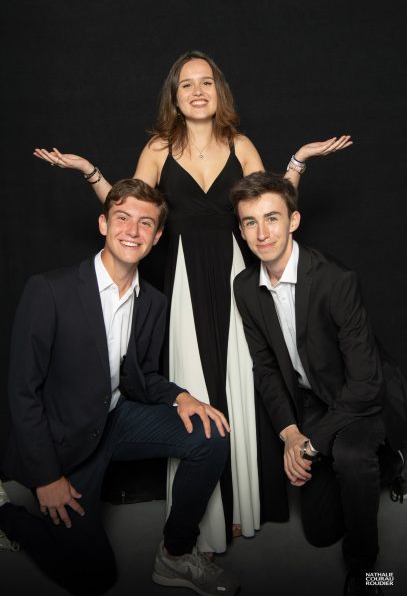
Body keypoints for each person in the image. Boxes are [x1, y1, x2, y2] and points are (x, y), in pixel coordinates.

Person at [33, 50, 352, 552]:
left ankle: (242, 507)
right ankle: (207, 516)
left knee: (242, 384)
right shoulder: (158, 148)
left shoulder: (240, 145)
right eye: (187, 84)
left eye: (206, 82)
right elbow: (130, 209)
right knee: (198, 389)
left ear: (219, 92)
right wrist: (90, 171)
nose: (198, 91)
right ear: (175, 97)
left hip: (235, 276)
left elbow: (272, 206)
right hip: (181, 280)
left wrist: (298, 163)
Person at [0, 178, 240, 596]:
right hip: (65, 441)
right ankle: (6, 514)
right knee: (93, 578)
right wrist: (46, 478)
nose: (133, 230)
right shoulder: (50, 290)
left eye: (145, 223)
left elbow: (142, 376)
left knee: (212, 433)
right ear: (103, 224)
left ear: (157, 236)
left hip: (117, 419)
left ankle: (175, 553)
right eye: (122, 218)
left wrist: (182, 397)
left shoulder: (154, 302)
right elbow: (23, 393)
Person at [231, 170, 407, 596]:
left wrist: (310, 445)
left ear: (293, 220)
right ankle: (385, 466)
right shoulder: (245, 287)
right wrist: (290, 433)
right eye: (250, 222)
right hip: (313, 400)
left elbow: (365, 383)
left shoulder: (335, 279)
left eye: (272, 218)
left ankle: (366, 572)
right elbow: (266, 368)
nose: (262, 233)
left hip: (363, 395)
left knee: (349, 453)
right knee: (320, 532)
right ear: (241, 229)